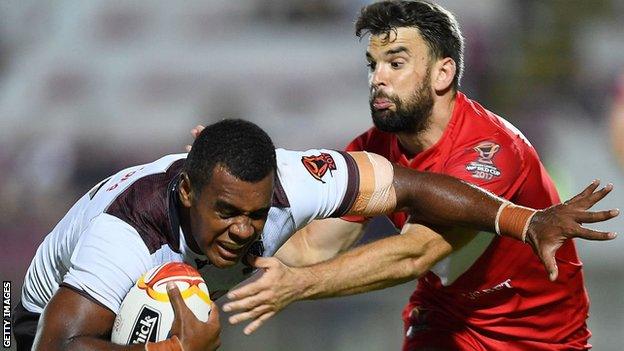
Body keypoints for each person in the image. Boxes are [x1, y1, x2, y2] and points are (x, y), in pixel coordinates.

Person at [15, 120, 615, 351]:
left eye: (256, 214)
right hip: (22, 322)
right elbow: (52, 348)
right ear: (188, 192)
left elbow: (409, 186)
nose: (244, 231)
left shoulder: (296, 182)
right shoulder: (125, 232)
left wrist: (524, 220)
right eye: (226, 212)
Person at [222, 2, 620, 350]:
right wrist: (234, 216)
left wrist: (298, 285)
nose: (378, 78)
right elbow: (314, 248)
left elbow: (416, 252)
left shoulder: (491, 150)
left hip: (536, 336)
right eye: (373, 64)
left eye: (396, 63)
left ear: (442, 73)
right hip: (444, 320)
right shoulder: (372, 148)